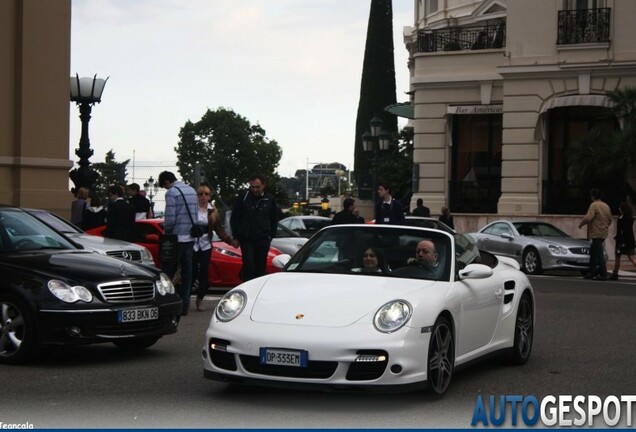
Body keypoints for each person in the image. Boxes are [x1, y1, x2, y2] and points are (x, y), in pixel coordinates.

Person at [159, 171, 199, 315]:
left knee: (167, 272)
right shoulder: (192, 190)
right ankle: (185, 305)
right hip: (190, 237)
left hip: (176, 238)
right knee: (187, 273)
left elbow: (170, 217)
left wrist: (166, 231)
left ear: (166, 182)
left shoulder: (172, 192)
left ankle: (167, 303)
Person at [193, 184, 234, 312]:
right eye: (201, 194)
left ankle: (200, 299)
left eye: (206, 194)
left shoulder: (212, 211)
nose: (203, 197)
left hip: (205, 244)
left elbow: (218, 229)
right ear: (197, 196)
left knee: (204, 271)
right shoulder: (192, 209)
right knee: (191, 271)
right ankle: (185, 297)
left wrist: (229, 241)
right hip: (192, 243)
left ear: (209, 197)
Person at [230, 175, 278, 282]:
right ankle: (246, 283)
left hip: (263, 237)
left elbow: (274, 218)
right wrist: (236, 236)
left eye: (257, 187)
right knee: (248, 263)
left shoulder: (270, 199)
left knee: (260, 266)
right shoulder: (243, 198)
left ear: (263, 186)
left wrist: (270, 236)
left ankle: (258, 287)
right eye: (252, 187)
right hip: (247, 237)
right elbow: (235, 217)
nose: (255, 190)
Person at [578, 188, 613, 281]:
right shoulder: (606, 206)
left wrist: (581, 224)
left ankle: (603, 274)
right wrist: (604, 226)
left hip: (596, 233)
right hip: (603, 233)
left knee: (599, 254)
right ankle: (591, 272)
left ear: (593, 196)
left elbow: (588, 218)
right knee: (593, 253)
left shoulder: (594, 205)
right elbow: (610, 220)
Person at [610, 202, 636, 280]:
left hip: (622, 242)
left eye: (620, 208)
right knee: (632, 257)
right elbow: (628, 231)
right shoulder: (630, 218)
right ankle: (615, 273)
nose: (619, 209)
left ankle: (615, 274)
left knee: (618, 257)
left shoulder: (621, 218)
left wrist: (618, 238)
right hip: (630, 241)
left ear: (623, 209)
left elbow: (621, 230)